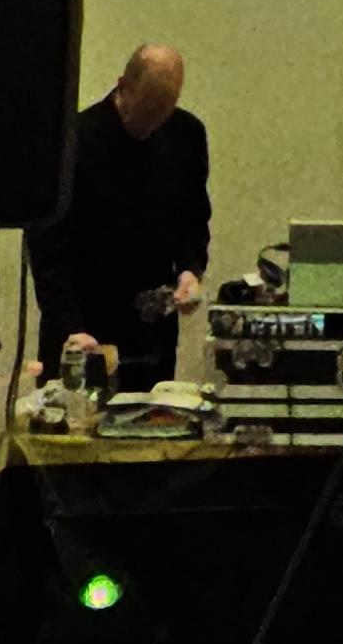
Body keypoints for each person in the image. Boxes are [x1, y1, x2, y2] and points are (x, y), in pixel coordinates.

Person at [27, 43, 209, 389]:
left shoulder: (187, 135)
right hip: (81, 324)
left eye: (164, 110)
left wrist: (190, 270)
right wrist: (70, 326)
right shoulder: (73, 141)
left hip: (151, 332)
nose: (153, 122)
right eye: (146, 109)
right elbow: (47, 247)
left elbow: (194, 218)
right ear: (123, 86)